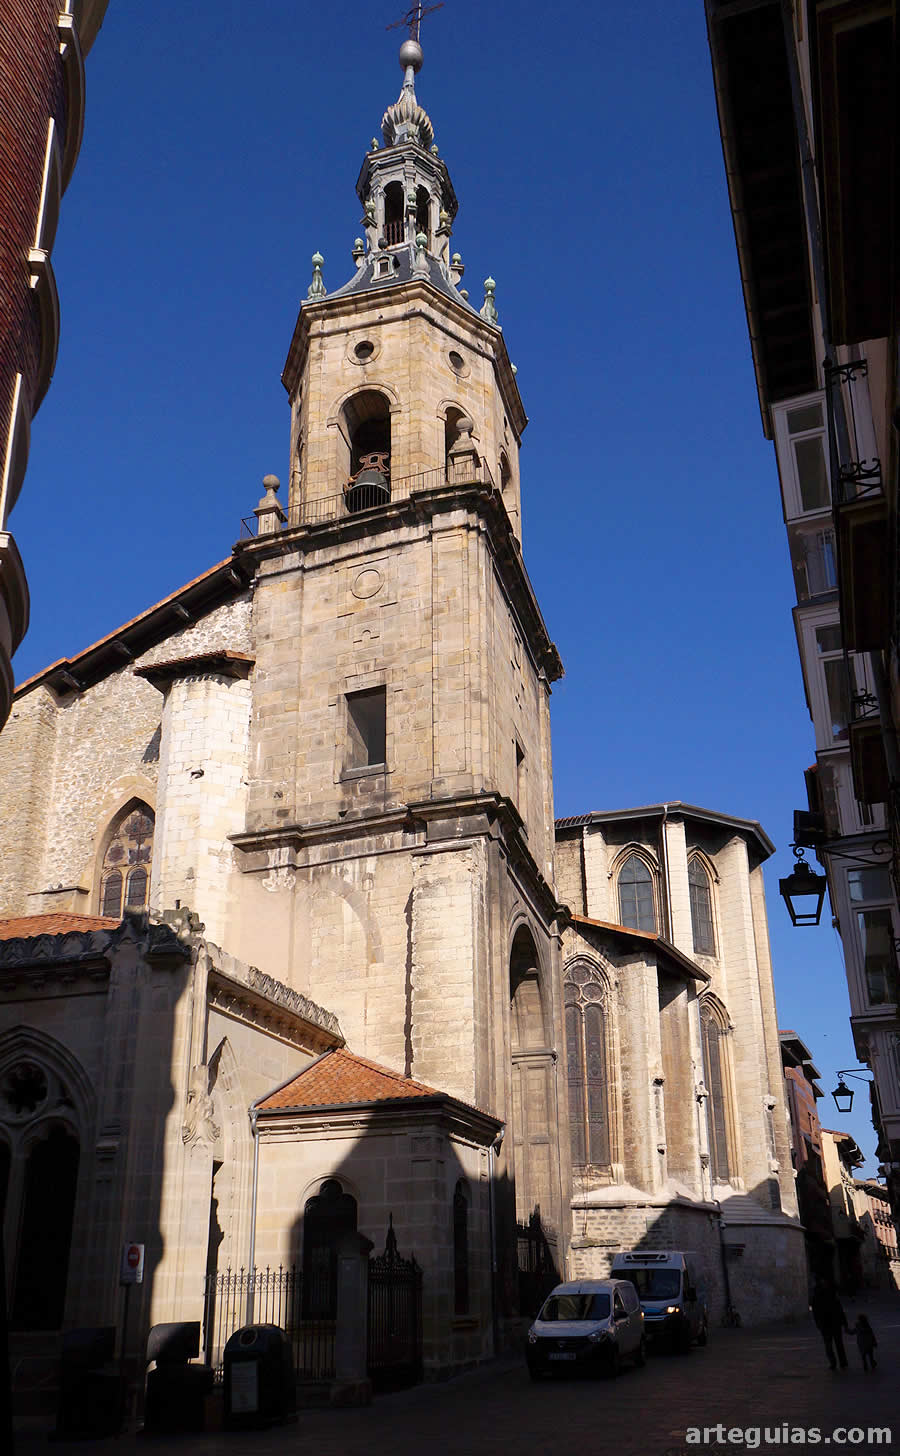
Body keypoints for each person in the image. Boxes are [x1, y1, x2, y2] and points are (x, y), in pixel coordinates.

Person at [810, 1279, 849, 1370]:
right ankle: (841, 1362)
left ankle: (834, 1363)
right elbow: (839, 1309)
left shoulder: (817, 1296)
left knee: (830, 1345)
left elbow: (815, 1312)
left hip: (827, 1324)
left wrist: (818, 1323)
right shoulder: (831, 1295)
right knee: (836, 1344)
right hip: (832, 1323)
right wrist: (844, 1323)